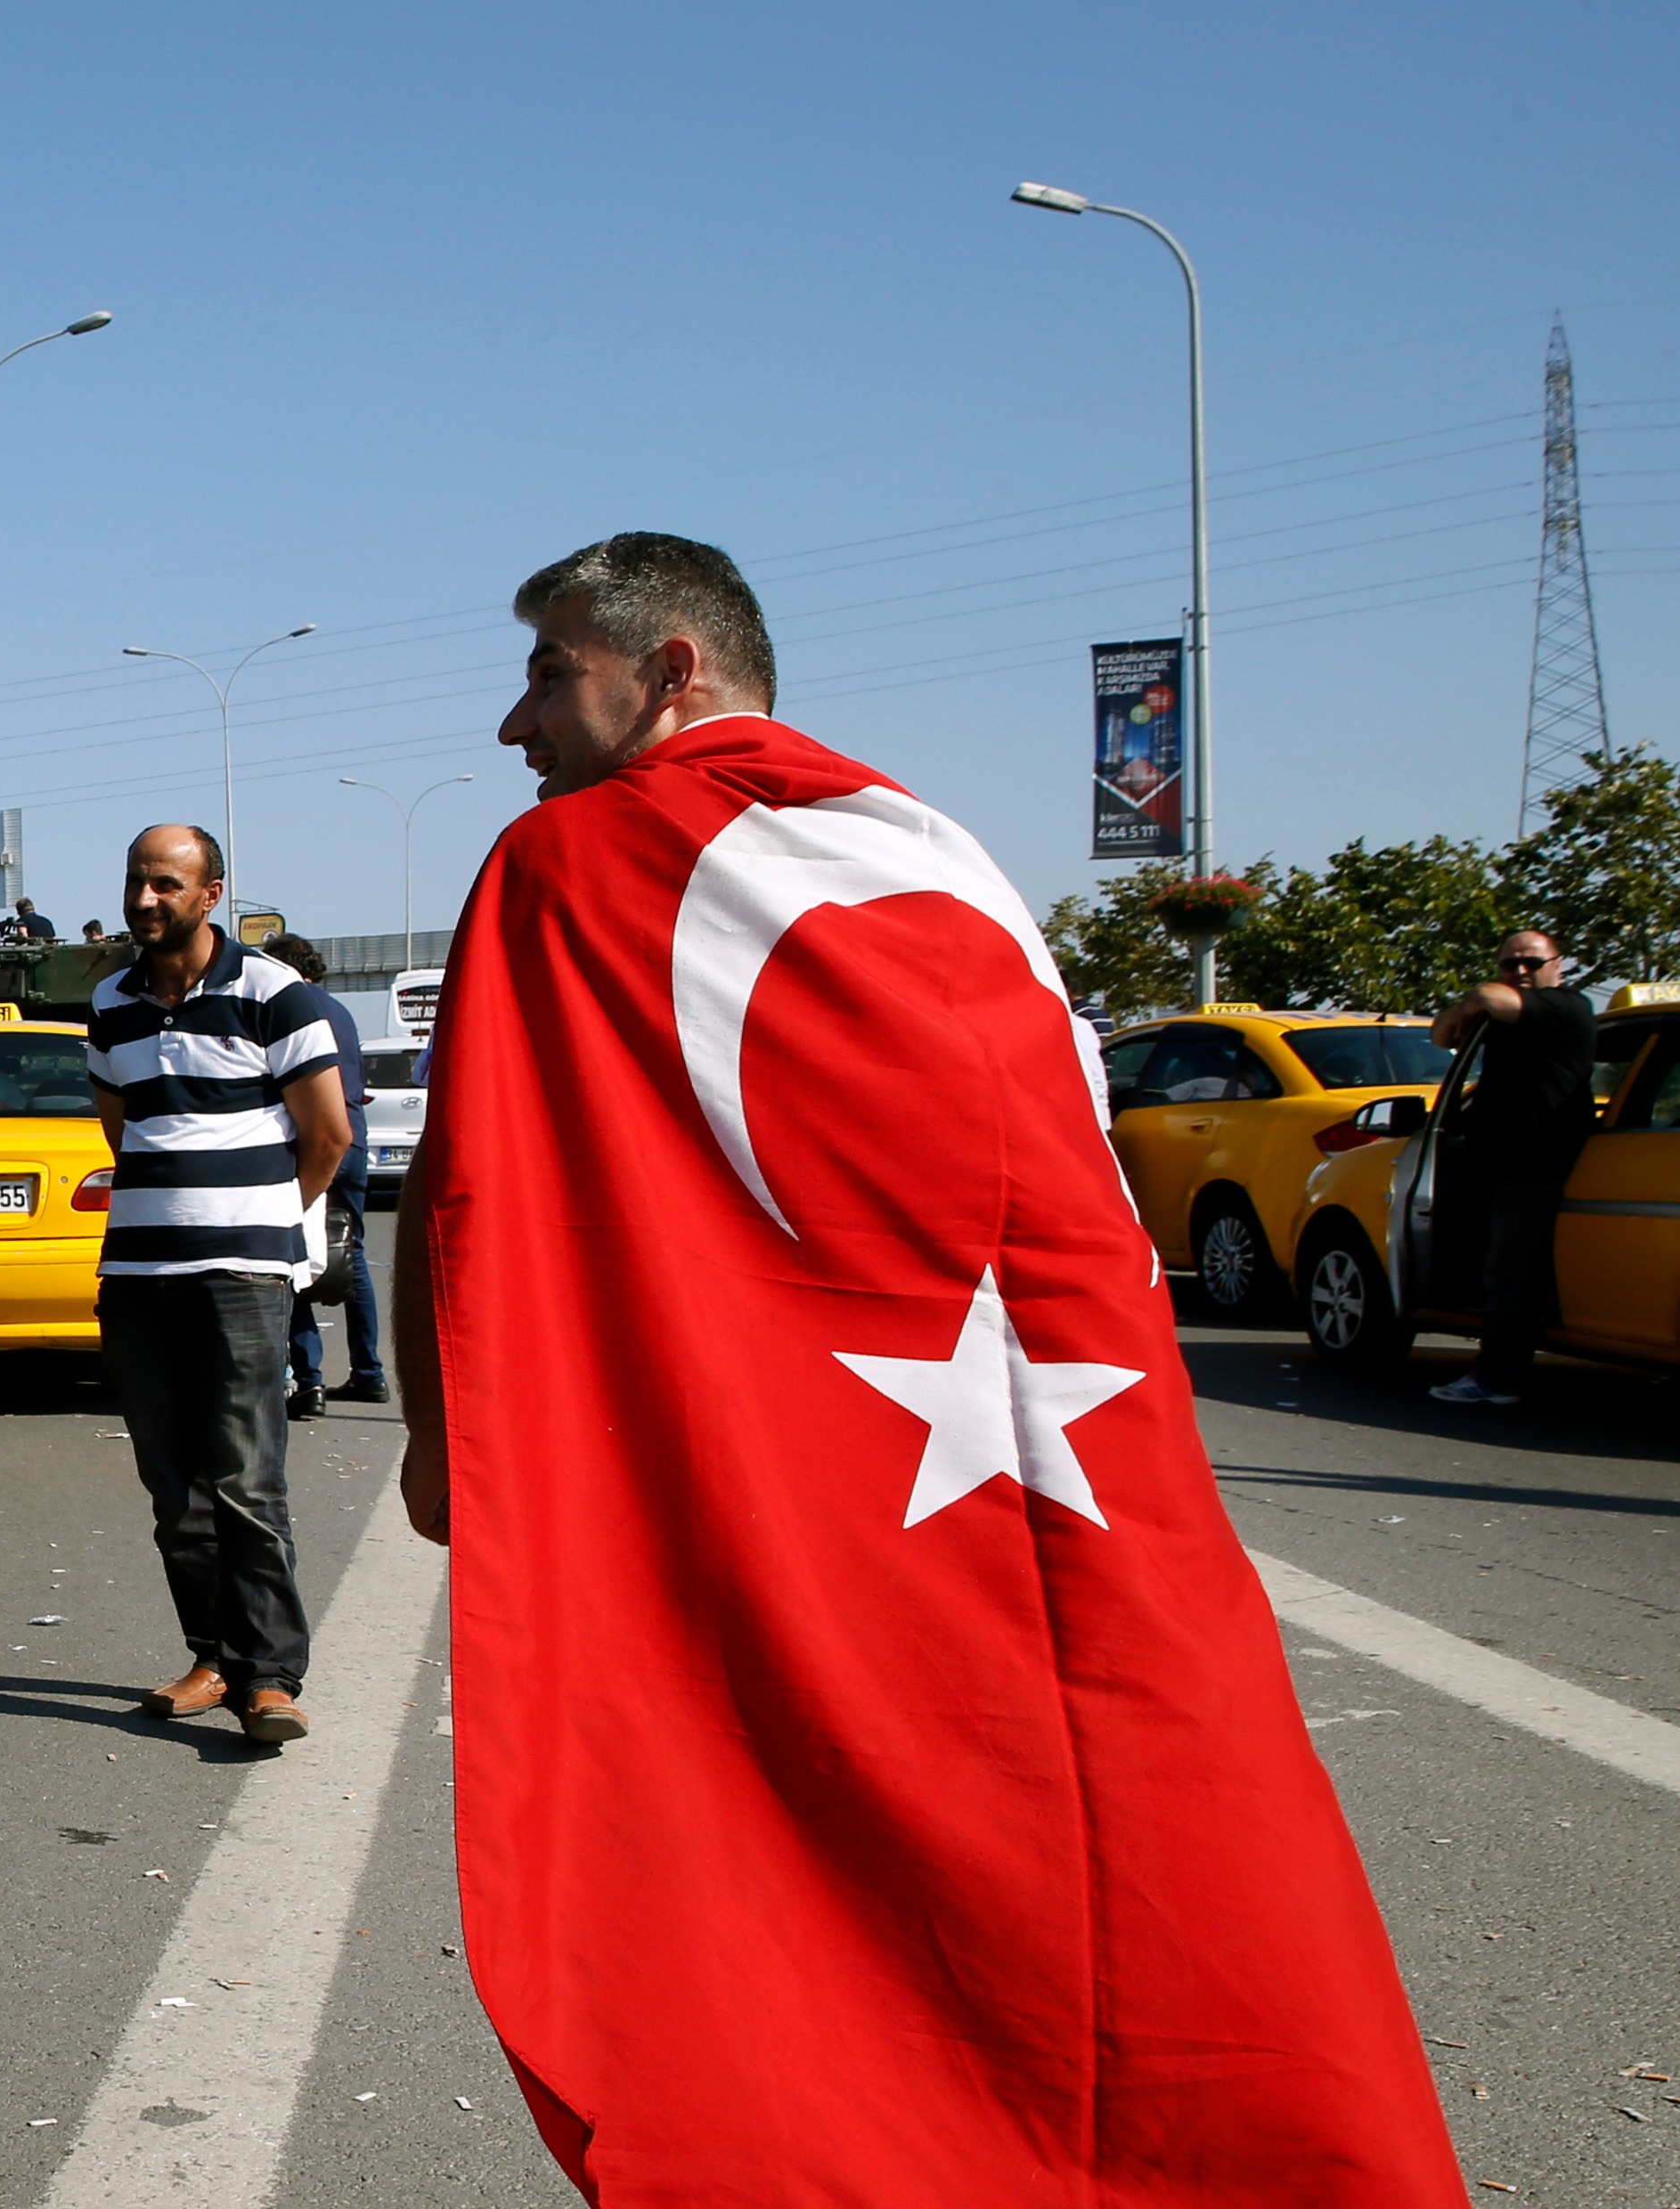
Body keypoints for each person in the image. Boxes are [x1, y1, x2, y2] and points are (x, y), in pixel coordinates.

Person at [396, 533, 1460, 2200]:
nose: (514, 725)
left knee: (780, 1817)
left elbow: (474, 1191)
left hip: (838, 1450)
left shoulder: (572, 866)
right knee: (1121, 1811)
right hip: (1064, 1430)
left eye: (547, 674)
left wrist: (447, 1436)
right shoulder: (929, 845)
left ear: (670, 671)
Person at [87, 826, 350, 1745]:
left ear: (210, 895)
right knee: (174, 1487)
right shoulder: (110, 1001)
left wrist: (260, 1225)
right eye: (137, 881)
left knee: (246, 1479)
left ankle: (270, 1676)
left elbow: (327, 1136)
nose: (144, 898)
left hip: (241, 1278)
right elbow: (125, 1130)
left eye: (166, 883)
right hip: (137, 1276)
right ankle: (213, 1657)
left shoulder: (276, 995)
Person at [1424, 928, 1597, 1406]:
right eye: (1509, 964)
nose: (1520, 971)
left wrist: (1471, 1004)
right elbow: (1440, 1035)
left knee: (1511, 1272)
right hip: (1496, 1160)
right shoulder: (1506, 1020)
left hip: (1537, 1162)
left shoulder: (1566, 1007)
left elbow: (1487, 998)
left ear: (1558, 966)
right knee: (1499, 1268)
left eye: (1531, 963)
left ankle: (1497, 1378)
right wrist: (1464, 1013)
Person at [264, 933, 383, 1413]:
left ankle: (309, 1380)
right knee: (352, 1254)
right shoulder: (342, 1012)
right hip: (354, 1138)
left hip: (311, 1141)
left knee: (294, 1254)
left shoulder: (289, 1006)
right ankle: (369, 1371)